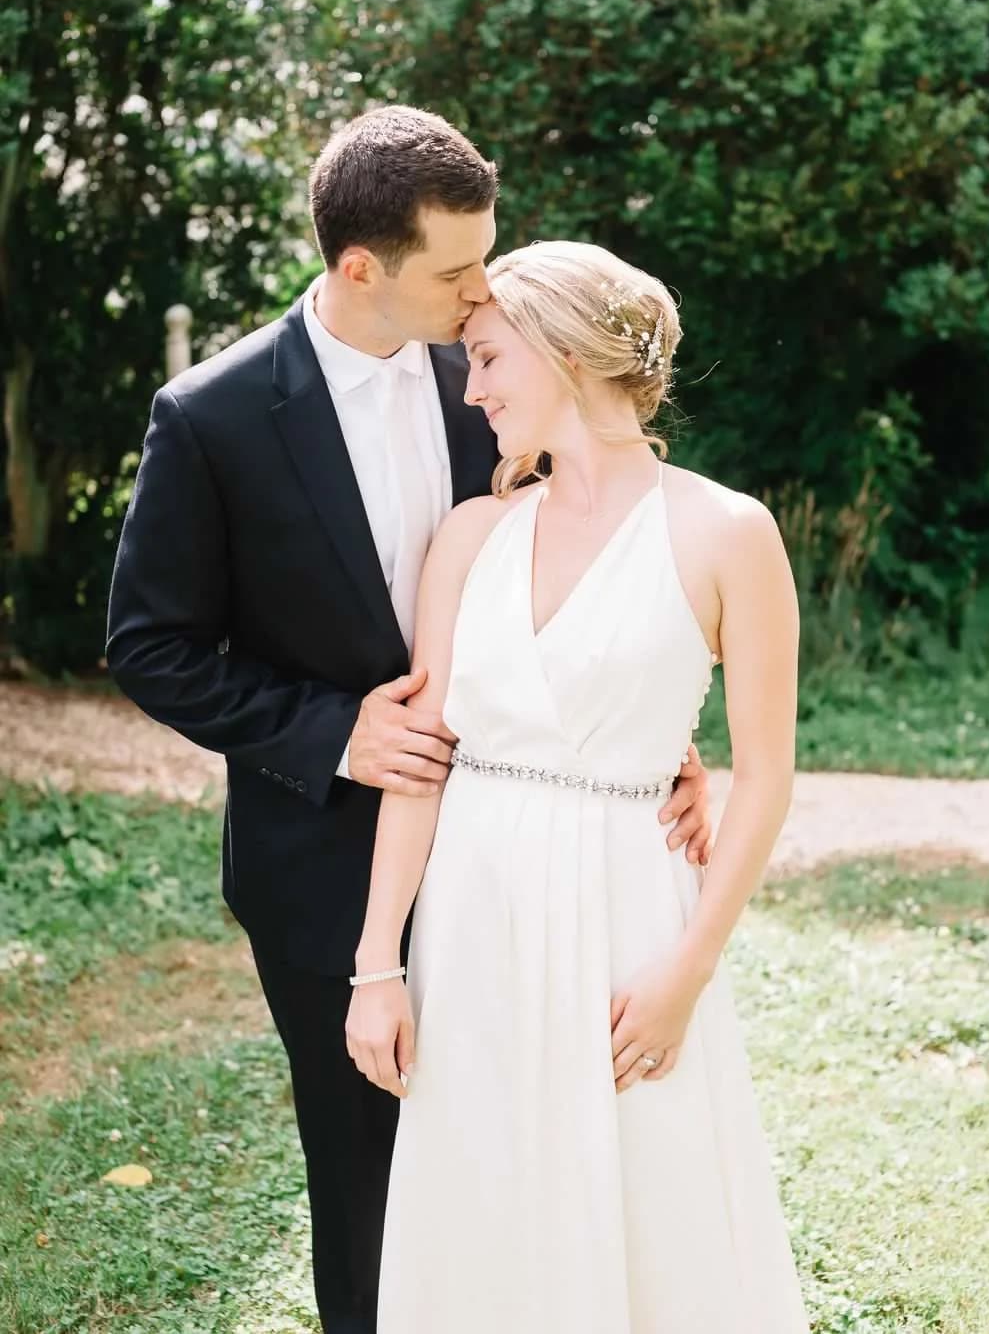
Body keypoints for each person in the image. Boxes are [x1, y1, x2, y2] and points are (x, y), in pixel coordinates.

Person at [105, 106, 712, 1334]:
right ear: (359, 267)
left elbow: (575, 565)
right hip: (325, 862)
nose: (483, 291)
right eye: (455, 270)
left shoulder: (487, 376)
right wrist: (334, 733)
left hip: (516, 857)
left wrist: (644, 730)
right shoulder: (212, 417)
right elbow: (149, 646)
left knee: (523, 1161)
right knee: (369, 1185)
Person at [346, 239, 808, 1332]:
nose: (473, 390)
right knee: (484, 1196)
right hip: (473, 915)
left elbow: (767, 775)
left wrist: (687, 969)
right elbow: (422, 761)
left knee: (649, 1191)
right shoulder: (472, 535)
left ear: (564, 350)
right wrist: (377, 965)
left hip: (630, 917)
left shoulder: (727, 532)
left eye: (488, 357)